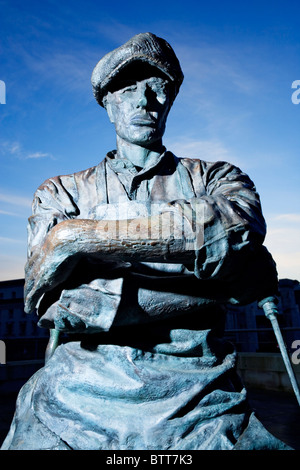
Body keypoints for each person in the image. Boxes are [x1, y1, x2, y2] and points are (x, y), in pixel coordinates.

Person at [1, 33, 291, 450]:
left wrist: (79, 237)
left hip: (203, 399)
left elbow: (233, 229)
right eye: (128, 89)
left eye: (157, 89)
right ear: (109, 103)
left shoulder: (219, 178)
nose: (144, 101)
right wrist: (208, 289)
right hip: (72, 399)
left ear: (170, 100)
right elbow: (56, 305)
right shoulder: (60, 193)